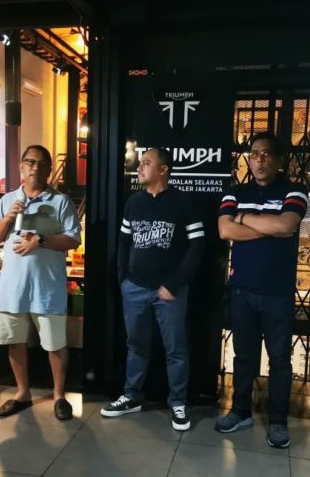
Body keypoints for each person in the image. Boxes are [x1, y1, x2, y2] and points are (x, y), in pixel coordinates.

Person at [214, 132, 308, 448]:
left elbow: (286, 226)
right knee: (243, 355)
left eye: (266, 153)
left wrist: (244, 218)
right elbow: (224, 229)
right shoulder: (235, 192)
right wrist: (265, 228)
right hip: (242, 289)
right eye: (254, 154)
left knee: (279, 359)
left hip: (278, 291)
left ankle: (278, 421)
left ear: (279, 160)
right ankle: (240, 411)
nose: (259, 160)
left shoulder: (294, 191)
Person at [100, 148, 205, 431]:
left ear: (163, 170)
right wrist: (123, 280)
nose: (139, 167)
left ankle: (178, 402)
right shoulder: (134, 202)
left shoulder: (183, 201)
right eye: (140, 163)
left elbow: (197, 245)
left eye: (146, 163)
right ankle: (132, 396)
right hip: (134, 288)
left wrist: (174, 283)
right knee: (136, 345)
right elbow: (124, 243)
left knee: (176, 349)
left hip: (170, 291)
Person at [0, 145, 81, 420]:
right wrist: (8, 217)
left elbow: (73, 239)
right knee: (14, 341)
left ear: (49, 169)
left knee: (55, 343)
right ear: (21, 166)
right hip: (13, 287)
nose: (35, 167)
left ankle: (59, 395)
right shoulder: (7, 200)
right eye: (30, 162)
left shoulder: (61, 202)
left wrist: (40, 240)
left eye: (41, 163)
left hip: (47, 287)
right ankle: (22, 392)